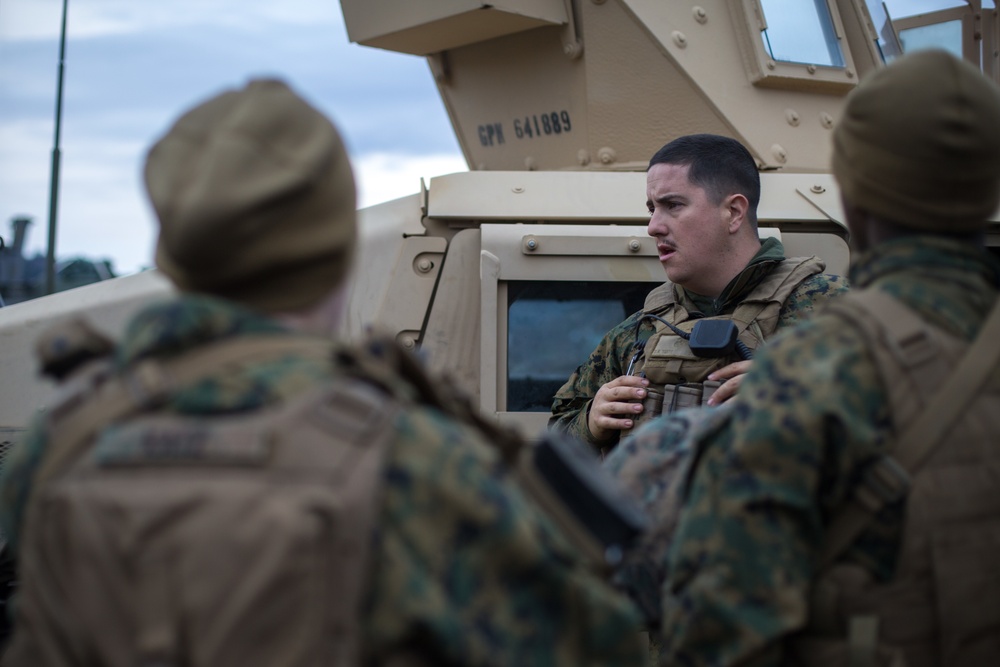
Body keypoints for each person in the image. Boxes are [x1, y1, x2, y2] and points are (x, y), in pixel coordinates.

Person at [0, 79, 646, 666]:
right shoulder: (417, 458)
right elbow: (600, 644)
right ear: (338, 252)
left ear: (173, 250)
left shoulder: (58, 443)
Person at [608, 49, 1000, 666]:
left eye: (672, 206)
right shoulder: (652, 322)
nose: (654, 225)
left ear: (855, 195)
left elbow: (717, 631)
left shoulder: (808, 374)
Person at [549, 134, 848, 452]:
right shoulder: (638, 332)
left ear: (733, 212)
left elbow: (901, 424)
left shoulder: (832, 309)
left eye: (672, 205)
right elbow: (556, 436)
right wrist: (591, 421)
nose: (653, 226)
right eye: (652, 209)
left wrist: (800, 400)